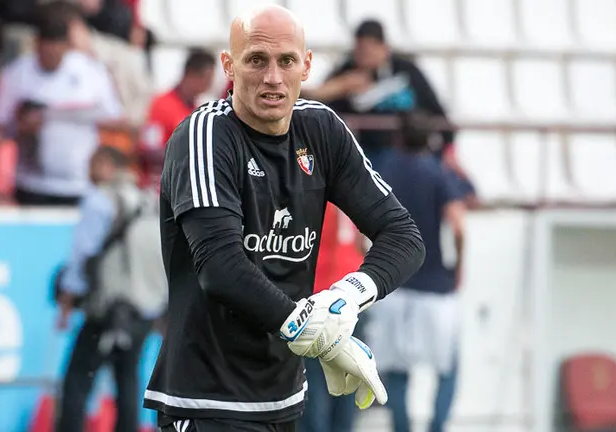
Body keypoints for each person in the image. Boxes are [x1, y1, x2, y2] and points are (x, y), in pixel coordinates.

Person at [142, 5, 426, 432]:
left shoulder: (322, 130)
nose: (272, 77)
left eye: (286, 61)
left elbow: (403, 235)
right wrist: (315, 336)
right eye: (256, 60)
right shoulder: (203, 136)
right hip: (206, 400)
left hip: (284, 400)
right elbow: (220, 268)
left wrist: (345, 300)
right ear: (229, 66)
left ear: (306, 65)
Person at [55, 145, 167, 432]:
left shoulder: (100, 201)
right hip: (143, 309)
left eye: (92, 163)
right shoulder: (148, 201)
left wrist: (67, 301)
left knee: (78, 380)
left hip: (107, 308)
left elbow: (83, 254)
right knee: (127, 380)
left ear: (106, 164)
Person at [369, 111, 466, 432]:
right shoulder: (438, 172)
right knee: (447, 368)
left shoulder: (384, 168)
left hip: (394, 286)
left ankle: (402, 427)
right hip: (436, 287)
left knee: (396, 371)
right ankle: (436, 426)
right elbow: (458, 226)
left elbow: (361, 228)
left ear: (398, 136)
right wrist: (459, 266)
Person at [0, 1, 124, 206]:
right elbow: (0, 127)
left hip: (78, 182)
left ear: (66, 45)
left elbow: (115, 117)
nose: (52, 55)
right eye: (47, 49)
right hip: (31, 182)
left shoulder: (89, 71)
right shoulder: (17, 74)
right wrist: (23, 125)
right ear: (37, 43)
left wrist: (68, 115)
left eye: (57, 49)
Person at [301, 19, 454, 168]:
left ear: (384, 48)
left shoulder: (406, 71)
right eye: (360, 49)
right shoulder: (347, 72)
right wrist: (342, 86)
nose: (365, 55)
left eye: (371, 48)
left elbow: (435, 109)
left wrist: (448, 149)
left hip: (412, 152)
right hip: (366, 154)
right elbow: (318, 105)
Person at [300, 203, 366, 432]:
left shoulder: (317, 188)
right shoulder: (351, 189)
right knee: (347, 378)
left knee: (315, 381)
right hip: (351, 291)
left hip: (320, 291)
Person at [139, 48, 216, 190]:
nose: (209, 84)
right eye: (207, 78)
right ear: (191, 74)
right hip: (158, 189)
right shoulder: (161, 104)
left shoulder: (198, 110)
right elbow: (148, 150)